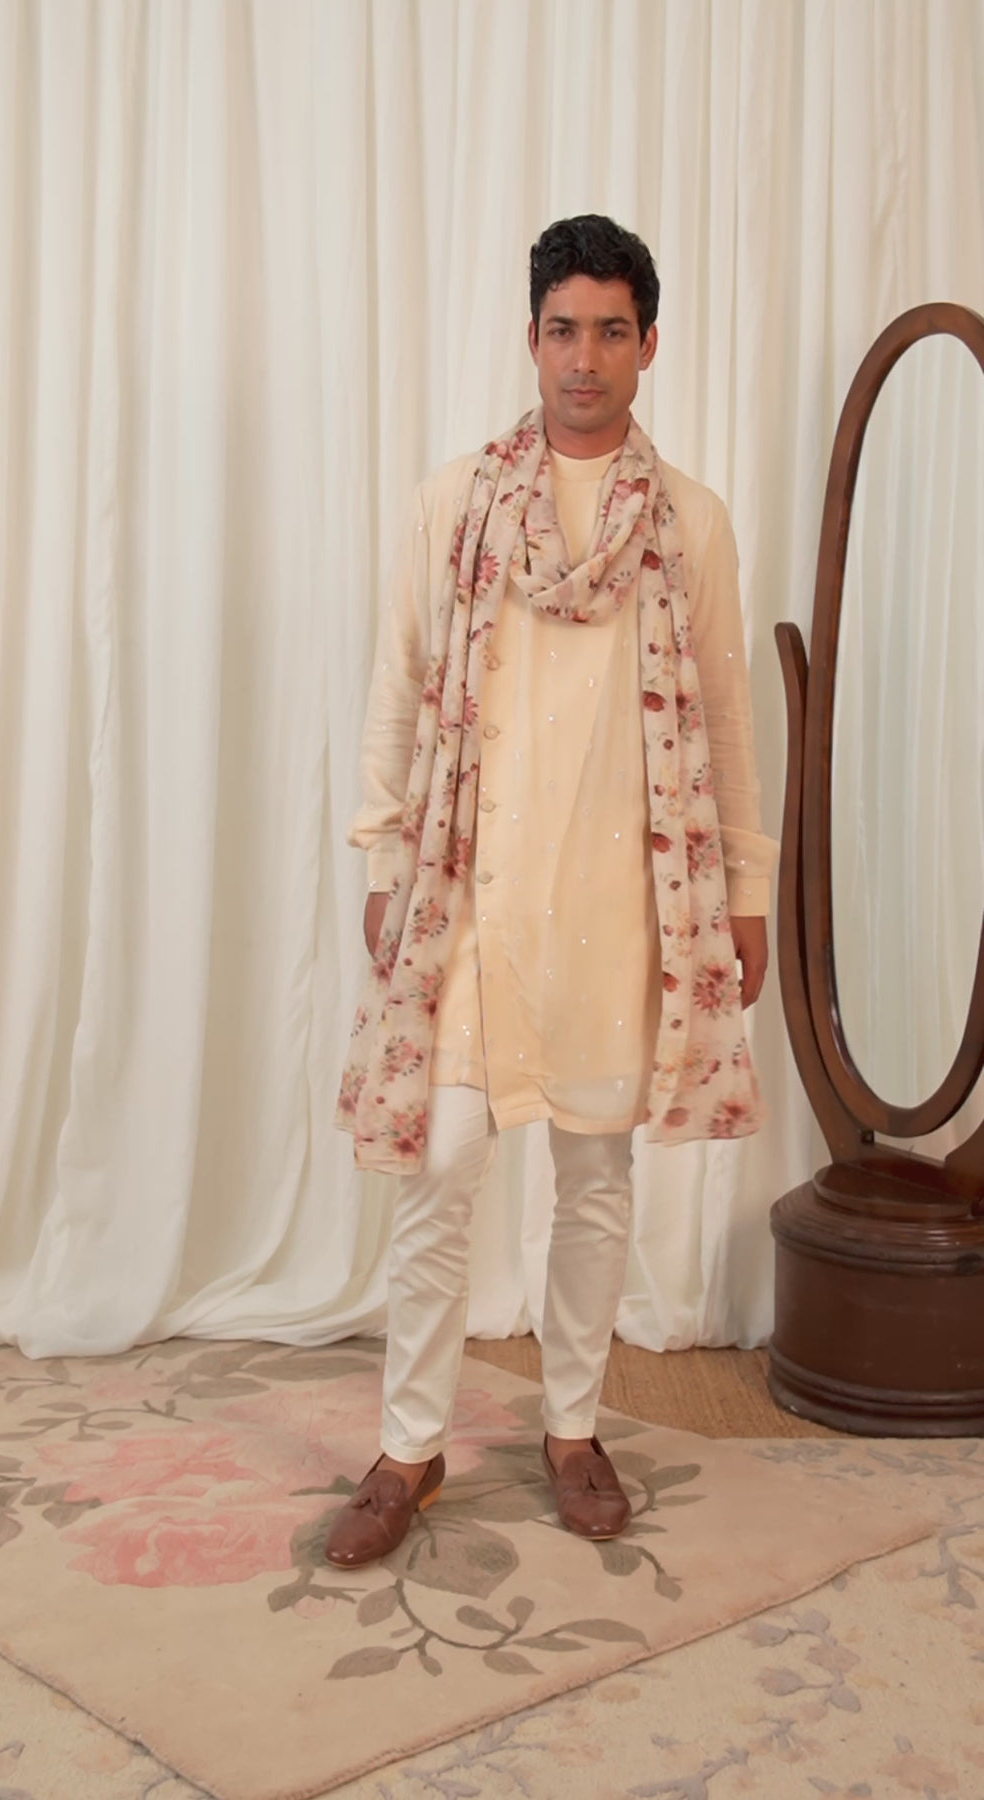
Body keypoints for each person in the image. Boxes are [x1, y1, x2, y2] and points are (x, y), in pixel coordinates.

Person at [328, 215, 778, 1568]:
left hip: (620, 900)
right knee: (441, 1167)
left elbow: (727, 720)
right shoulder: (457, 501)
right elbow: (400, 682)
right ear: (530, 339)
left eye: (611, 331)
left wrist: (743, 897)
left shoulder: (688, 521)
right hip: (471, 890)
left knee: (593, 1175)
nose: (586, 357)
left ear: (650, 345)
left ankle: (572, 1428)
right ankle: (408, 1447)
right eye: (564, 328)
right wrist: (385, 853)